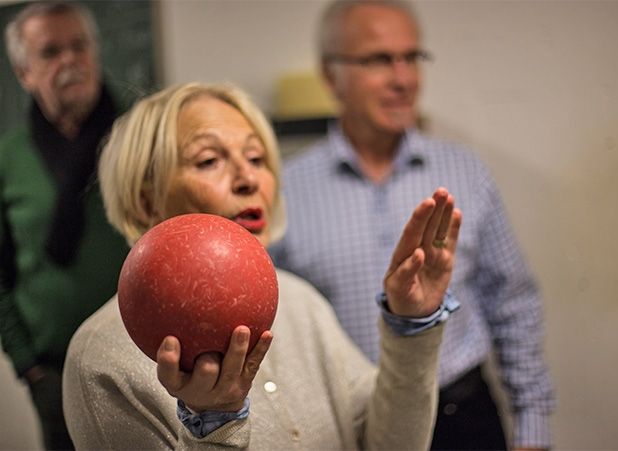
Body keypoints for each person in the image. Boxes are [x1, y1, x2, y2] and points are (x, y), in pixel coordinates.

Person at [62, 81, 462, 450]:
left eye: (256, 158)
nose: (248, 178)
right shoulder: (102, 360)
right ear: (146, 201)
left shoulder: (299, 300)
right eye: (208, 161)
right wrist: (213, 425)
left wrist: (411, 326)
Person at [268, 1, 556, 450]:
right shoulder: (284, 192)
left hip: (462, 419)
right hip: (347, 426)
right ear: (331, 76)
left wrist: (533, 426)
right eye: (379, 60)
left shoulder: (465, 172)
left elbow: (513, 302)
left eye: (412, 57)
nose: (403, 79)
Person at [0, 2, 129, 449]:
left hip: (148, 358)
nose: (70, 60)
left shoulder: (142, 130)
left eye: (79, 46)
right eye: (51, 51)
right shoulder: (8, 157)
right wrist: (26, 362)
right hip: (53, 373)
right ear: (23, 73)